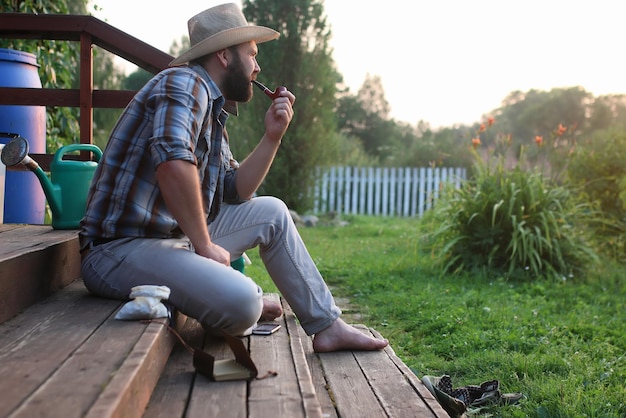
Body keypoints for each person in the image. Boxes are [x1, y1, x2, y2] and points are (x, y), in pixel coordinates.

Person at [79, 2, 387, 353]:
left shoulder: (213, 108)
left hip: (172, 239)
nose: (257, 67)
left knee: (272, 212)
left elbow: (235, 190)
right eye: (252, 54)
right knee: (243, 304)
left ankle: (327, 325)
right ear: (224, 55)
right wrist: (206, 246)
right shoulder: (185, 83)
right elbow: (172, 159)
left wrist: (273, 136)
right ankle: (239, 295)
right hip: (119, 250)